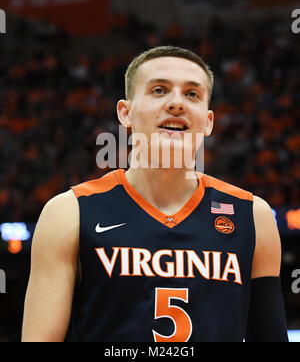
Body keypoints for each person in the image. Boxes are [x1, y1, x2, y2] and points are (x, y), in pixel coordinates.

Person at [22, 46, 288, 342]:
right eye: (159, 90)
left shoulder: (253, 216)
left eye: (192, 94)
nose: (177, 103)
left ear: (209, 121)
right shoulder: (69, 212)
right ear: (125, 113)